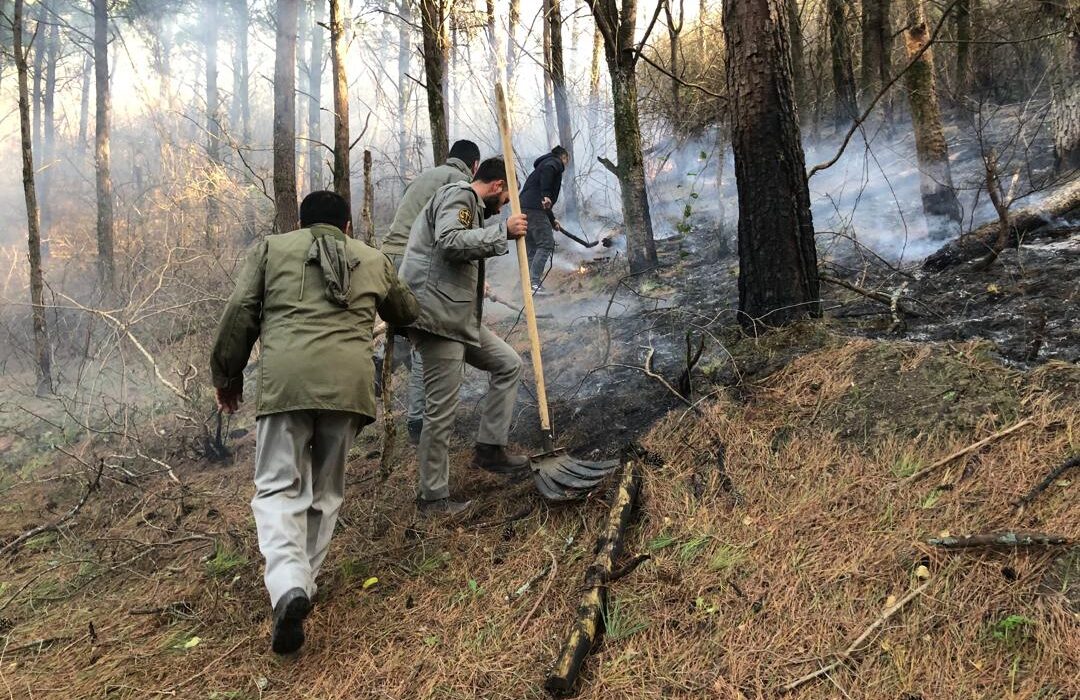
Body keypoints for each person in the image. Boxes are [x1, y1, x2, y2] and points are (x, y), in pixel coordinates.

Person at [210, 191, 418, 655]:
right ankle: (303, 582)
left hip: (287, 384)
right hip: (349, 388)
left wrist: (227, 374)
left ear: (301, 224)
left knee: (278, 487)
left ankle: (288, 586)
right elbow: (404, 311)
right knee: (325, 492)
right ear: (347, 226)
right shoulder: (372, 257)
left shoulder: (270, 249)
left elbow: (241, 309)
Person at [399, 157, 530, 516]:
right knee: (441, 412)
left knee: (507, 363)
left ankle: (490, 449)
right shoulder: (459, 197)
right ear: (498, 186)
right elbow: (450, 242)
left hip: (456, 318)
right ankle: (433, 498)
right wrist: (503, 231)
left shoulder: (470, 206)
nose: (504, 206)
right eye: (506, 198)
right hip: (436, 318)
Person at [380, 140, 483, 445]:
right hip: (414, 262)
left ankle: (382, 372)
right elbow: (451, 238)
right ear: (474, 165)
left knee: (414, 338)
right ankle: (418, 420)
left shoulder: (424, 177)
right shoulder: (461, 184)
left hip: (389, 257)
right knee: (433, 333)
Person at [518, 145, 570, 295]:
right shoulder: (553, 162)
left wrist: (552, 220)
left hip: (525, 208)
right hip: (534, 209)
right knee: (546, 244)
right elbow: (544, 196)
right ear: (563, 157)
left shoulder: (542, 165)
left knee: (533, 248)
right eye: (566, 161)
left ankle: (524, 286)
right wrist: (547, 194)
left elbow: (544, 203)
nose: (565, 165)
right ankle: (533, 284)